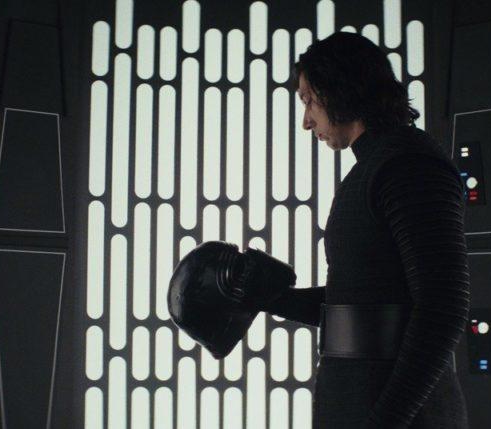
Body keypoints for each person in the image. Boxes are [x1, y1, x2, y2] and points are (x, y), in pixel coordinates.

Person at [168, 32, 469, 428]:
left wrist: (385, 422)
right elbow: (361, 303)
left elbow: (443, 306)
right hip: (358, 405)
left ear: (341, 88)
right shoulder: (375, 167)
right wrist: (265, 296)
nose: (307, 120)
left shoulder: (409, 165)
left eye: (309, 99)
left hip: (405, 416)